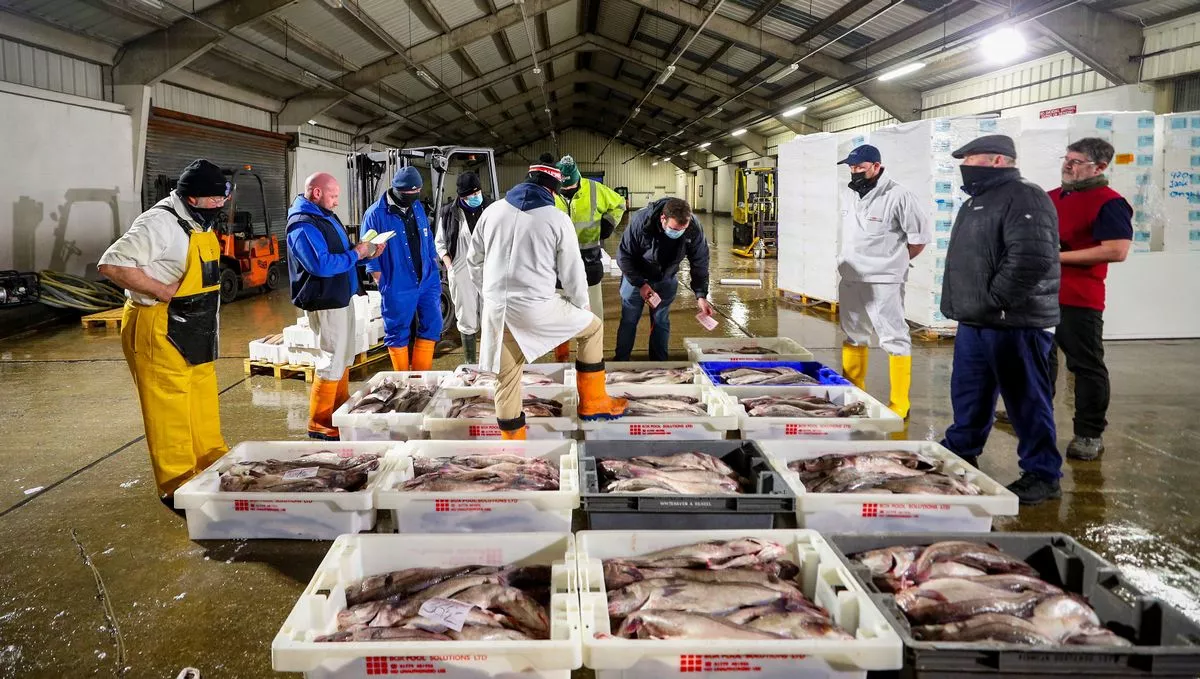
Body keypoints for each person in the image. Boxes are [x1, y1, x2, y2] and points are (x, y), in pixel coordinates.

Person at [97, 159, 231, 511]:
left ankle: (211, 465)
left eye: (223, 198)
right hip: (158, 324)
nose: (220, 205)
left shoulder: (198, 221)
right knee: (168, 406)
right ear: (192, 197)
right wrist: (163, 290)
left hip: (197, 326)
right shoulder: (158, 223)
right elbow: (112, 264)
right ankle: (179, 485)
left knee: (201, 398)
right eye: (214, 200)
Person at [938, 135, 1062, 506]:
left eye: (971, 158)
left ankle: (1042, 472)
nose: (965, 165)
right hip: (977, 321)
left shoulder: (1025, 195)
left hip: (1013, 323)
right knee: (969, 394)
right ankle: (962, 450)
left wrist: (995, 301)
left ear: (996, 161)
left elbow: (1032, 257)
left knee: (1026, 399)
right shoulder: (977, 200)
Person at [467, 160, 628, 440]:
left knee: (506, 379)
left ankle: (514, 444)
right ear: (552, 191)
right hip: (536, 308)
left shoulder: (492, 211)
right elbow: (572, 271)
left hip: (497, 312)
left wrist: (490, 295)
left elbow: (473, 261)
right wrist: (580, 305)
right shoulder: (556, 218)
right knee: (592, 328)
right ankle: (592, 403)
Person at [1046, 137, 1133, 459]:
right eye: (1066, 158)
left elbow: (1116, 250)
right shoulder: (1051, 197)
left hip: (1078, 296)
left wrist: (1057, 258)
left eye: (1076, 161)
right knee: (1040, 359)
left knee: (1085, 366)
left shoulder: (1109, 202)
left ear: (1099, 167)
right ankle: (1031, 411)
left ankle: (1088, 433)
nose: (1067, 165)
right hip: (1039, 295)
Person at [835, 144, 931, 419]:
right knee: (854, 334)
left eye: (860, 167)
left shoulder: (899, 195)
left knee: (893, 337)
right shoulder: (849, 194)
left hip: (884, 279)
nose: (855, 171)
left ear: (877, 166)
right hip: (851, 276)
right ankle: (854, 392)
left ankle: (900, 402)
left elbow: (919, 239)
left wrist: (893, 262)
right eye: (851, 167)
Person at [286, 172, 384, 440]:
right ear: (316, 193)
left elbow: (343, 255)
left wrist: (367, 253)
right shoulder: (302, 224)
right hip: (325, 299)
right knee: (331, 357)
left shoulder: (324, 216)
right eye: (334, 196)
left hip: (340, 297)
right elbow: (321, 264)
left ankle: (338, 409)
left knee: (343, 354)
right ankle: (320, 421)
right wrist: (358, 253)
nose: (337, 202)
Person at [362, 166, 443, 371]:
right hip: (397, 283)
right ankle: (403, 380)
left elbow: (428, 239)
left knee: (433, 324)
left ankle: (420, 379)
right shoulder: (375, 215)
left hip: (427, 279)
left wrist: (433, 263)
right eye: (408, 194)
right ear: (396, 190)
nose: (412, 197)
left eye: (416, 193)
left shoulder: (417, 207)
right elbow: (368, 254)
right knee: (397, 331)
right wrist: (383, 281)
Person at [613, 197, 713, 361]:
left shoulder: (693, 227)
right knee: (629, 319)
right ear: (663, 219)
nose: (678, 232)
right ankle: (621, 360)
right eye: (674, 228)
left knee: (660, 320)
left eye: (683, 228)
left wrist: (701, 295)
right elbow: (624, 256)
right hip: (636, 276)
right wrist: (640, 284)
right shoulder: (641, 221)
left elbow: (700, 262)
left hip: (666, 277)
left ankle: (659, 363)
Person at [550, 155, 626, 362]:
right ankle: (562, 360)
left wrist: (609, 223)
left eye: (569, 186)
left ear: (578, 178)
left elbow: (620, 203)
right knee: (559, 321)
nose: (565, 190)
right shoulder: (550, 192)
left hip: (588, 266)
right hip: (557, 270)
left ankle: (591, 361)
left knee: (592, 319)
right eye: (562, 187)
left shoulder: (595, 189)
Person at [437, 171, 491, 364]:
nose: (475, 197)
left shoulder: (492, 207)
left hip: (488, 268)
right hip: (461, 269)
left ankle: (489, 361)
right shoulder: (448, 212)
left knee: (491, 316)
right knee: (466, 317)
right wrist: (449, 264)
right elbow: (440, 242)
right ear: (461, 196)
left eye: (478, 193)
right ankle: (470, 363)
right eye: (470, 195)